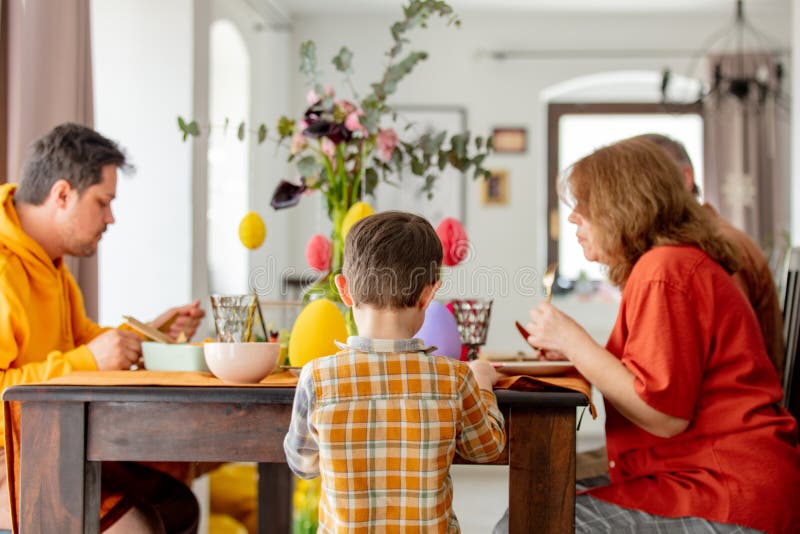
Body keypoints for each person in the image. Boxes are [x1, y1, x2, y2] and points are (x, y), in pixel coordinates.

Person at [496, 137, 800, 533]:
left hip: (723, 491)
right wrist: (573, 348)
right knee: (532, 505)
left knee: (528, 518)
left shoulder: (664, 271)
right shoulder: (669, 264)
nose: (573, 220)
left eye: (585, 206)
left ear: (624, 206)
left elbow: (663, 415)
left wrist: (575, 342)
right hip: (711, 478)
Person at [0, 123, 206, 533]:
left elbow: (83, 340)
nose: (111, 218)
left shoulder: (51, 265)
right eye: (103, 202)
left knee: (177, 505)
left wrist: (152, 333)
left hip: (50, 443)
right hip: (12, 459)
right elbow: (78, 358)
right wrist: (89, 359)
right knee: (142, 526)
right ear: (62, 194)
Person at [283, 211, 506, 532]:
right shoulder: (454, 378)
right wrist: (482, 380)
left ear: (344, 289)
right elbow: (488, 449)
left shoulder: (317, 378)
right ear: (429, 294)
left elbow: (303, 464)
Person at [635, 133, 785, 378]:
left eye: (646, 184)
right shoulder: (691, 244)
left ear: (685, 178)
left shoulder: (713, 248)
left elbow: (728, 358)